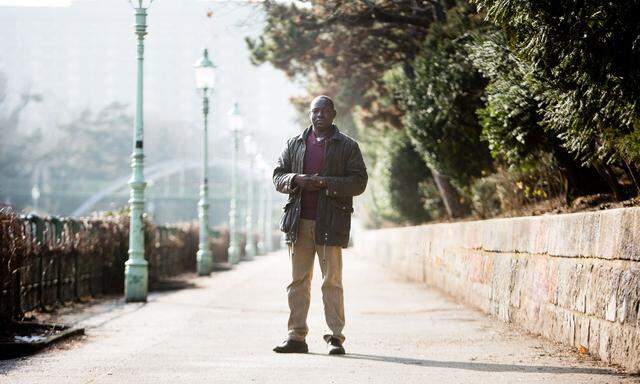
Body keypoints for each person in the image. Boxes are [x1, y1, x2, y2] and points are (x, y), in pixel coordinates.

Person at [272, 95, 368, 355]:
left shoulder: (347, 146)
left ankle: (335, 338)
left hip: (331, 223)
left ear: (333, 114)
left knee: (332, 282)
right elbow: (278, 176)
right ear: (309, 114)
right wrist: (297, 179)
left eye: (324, 111)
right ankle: (296, 337)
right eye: (315, 111)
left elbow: (359, 182)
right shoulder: (295, 144)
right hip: (298, 223)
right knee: (298, 282)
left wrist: (327, 183)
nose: (319, 115)